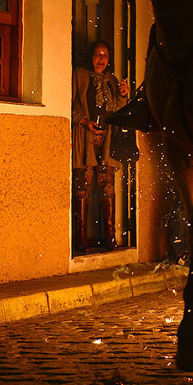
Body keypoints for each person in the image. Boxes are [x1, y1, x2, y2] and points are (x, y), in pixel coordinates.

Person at [72, 41, 129, 252]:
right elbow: (69, 105)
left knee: (107, 188)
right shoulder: (80, 75)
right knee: (82, 188)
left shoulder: (112, 81)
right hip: (86, 141)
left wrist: (123, 96)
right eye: (98, 54)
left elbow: (119, 113)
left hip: (106, 143)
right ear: (91, 56)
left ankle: (110, 239)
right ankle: (80, 240)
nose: (101, 59)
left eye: (105, 55)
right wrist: (84, 122)